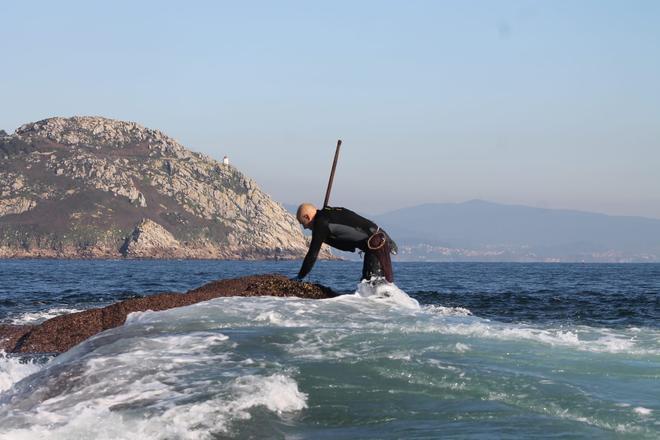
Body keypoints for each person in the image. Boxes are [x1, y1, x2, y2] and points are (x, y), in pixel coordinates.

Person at [294, 203, 398, 283]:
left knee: (371, 286)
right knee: (370, 285)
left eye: (304, 223)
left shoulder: (321, 223)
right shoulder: (327, 213)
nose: (305, 227)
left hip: (376, 245)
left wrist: (299, 277)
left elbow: (312, 254)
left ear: (307, 217)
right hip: (379, 239)